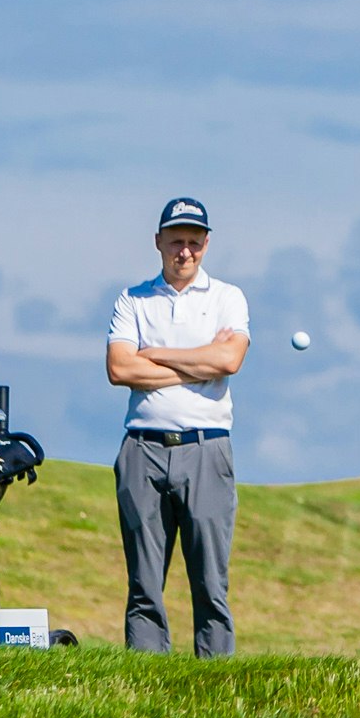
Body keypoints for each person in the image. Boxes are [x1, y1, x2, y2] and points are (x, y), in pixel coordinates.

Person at [105, 197, 250, 656]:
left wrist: (157, 354)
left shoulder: (228, 297)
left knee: (210, 579)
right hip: (142, 450)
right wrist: (198, 363)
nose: (184, 251)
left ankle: (214, 676)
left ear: (206, 244)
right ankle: (148, 674)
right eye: (176, 241)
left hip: (206, 448)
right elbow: (119, 369)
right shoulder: (133, 299)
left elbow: (229, 359)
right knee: (144, 581)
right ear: (158, 243)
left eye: (193, 242)